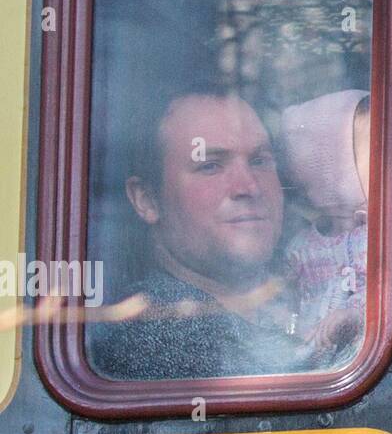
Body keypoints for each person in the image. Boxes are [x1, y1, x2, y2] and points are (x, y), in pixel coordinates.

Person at [92, 88, 317, 380]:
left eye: (260, 161)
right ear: (147, 199)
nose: (248, 186)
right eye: (210, 166)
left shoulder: (303, 284)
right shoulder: (162, 334)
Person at [279, 90, 370, 361]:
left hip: (363, 359)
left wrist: (358, 316)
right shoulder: (300, 248)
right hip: (312, 358)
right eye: (373, 152)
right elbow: (285, 299)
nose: (390, 163)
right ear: (334, 168)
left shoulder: (381, 238)